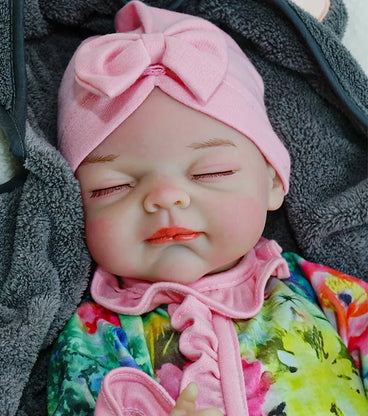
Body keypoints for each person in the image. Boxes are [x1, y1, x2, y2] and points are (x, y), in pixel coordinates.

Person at [47, 2, 368, 415]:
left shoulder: (319, 293)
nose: (165, 197)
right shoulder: (93, 339)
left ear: (272, 180)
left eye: (210, 173)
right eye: (114, 187)